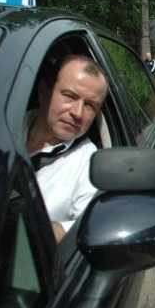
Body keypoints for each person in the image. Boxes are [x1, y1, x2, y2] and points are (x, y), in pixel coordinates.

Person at [26, 54, 108, 242]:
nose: (77, 113)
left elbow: (91, 227)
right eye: (69, 96)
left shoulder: (90, 165)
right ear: (42, 92)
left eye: (89, 105)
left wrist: (56, 230)